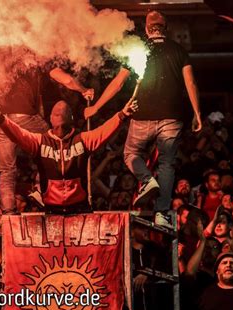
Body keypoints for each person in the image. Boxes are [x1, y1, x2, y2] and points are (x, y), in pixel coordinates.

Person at [85, 11, 202, 220]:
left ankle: (147, 180)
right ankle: (162, 212)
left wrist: (96, 107)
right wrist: (197, 114)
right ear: (165, 28)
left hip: (143, 115)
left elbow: (118, 83)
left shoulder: (139, 49)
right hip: (172, 117)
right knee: (167, 163)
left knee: (131, 154)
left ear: (147, 29)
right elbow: (190, 83)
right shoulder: (179, 51)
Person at [0, 99, 138, 213]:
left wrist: (122, 114)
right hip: (52, 210)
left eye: (64, 112)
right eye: (56, 112)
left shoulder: (83, 139)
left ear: (71, 118)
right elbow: (17, 133)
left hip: (79, 209)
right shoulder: (40, 141)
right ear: (50, 118)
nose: (60, 113)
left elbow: (104, 131)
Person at [0, 65, 94, 214]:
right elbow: (66, 79)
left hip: (0, 119)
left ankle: (8, 212)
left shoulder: (4, 57)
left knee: (7, 169)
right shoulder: (38, 56)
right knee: (53, 142)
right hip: (25, 116)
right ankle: (40, 190)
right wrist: (84, 89)